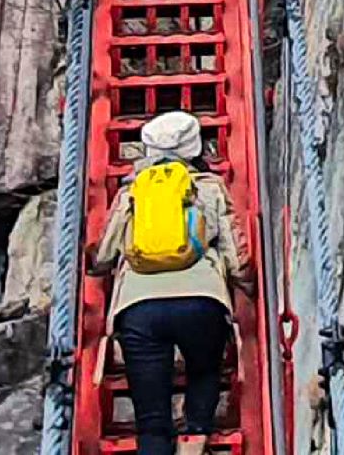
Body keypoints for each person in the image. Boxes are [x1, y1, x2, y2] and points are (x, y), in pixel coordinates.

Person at [87, 109, 246, 455]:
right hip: (202, 301)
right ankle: (195, 435)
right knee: (204, 373)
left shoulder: (132, 191)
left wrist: (94, 265)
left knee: (152, 420)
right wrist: (248, 288)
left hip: (139, 309)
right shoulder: (209, 187)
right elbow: (236, 255)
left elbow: (103, 256)